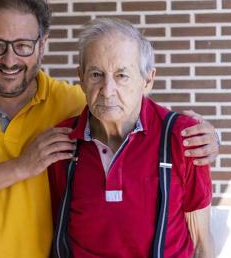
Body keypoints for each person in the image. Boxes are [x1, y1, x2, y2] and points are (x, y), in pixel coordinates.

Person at [0, 0, 218, 258]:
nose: (9, 59)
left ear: (42, 45)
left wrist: (207, 137)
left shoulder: (72, 101)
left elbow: (124, 103)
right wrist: (22, 166)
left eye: (23, 45)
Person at [48, 18, 214, 258]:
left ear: (147, 80)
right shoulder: (62, 143)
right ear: (81, 79)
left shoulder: (184, 139)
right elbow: (54, 230)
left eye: (121, 76)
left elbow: (201, 243)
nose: (107, 89)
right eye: (96, 74)